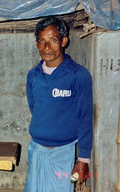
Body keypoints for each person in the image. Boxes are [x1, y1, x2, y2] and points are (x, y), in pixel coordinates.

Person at [25, 16, 93, 192]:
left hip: (64, 153)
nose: (47, 47)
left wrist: (83, 160)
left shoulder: (79, 76)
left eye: (53, 40)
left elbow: (85, 118)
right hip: (36, 150)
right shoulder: (33, 76)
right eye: (42, 41)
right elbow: (35, 108)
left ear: (64, 41)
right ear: (36, 44)